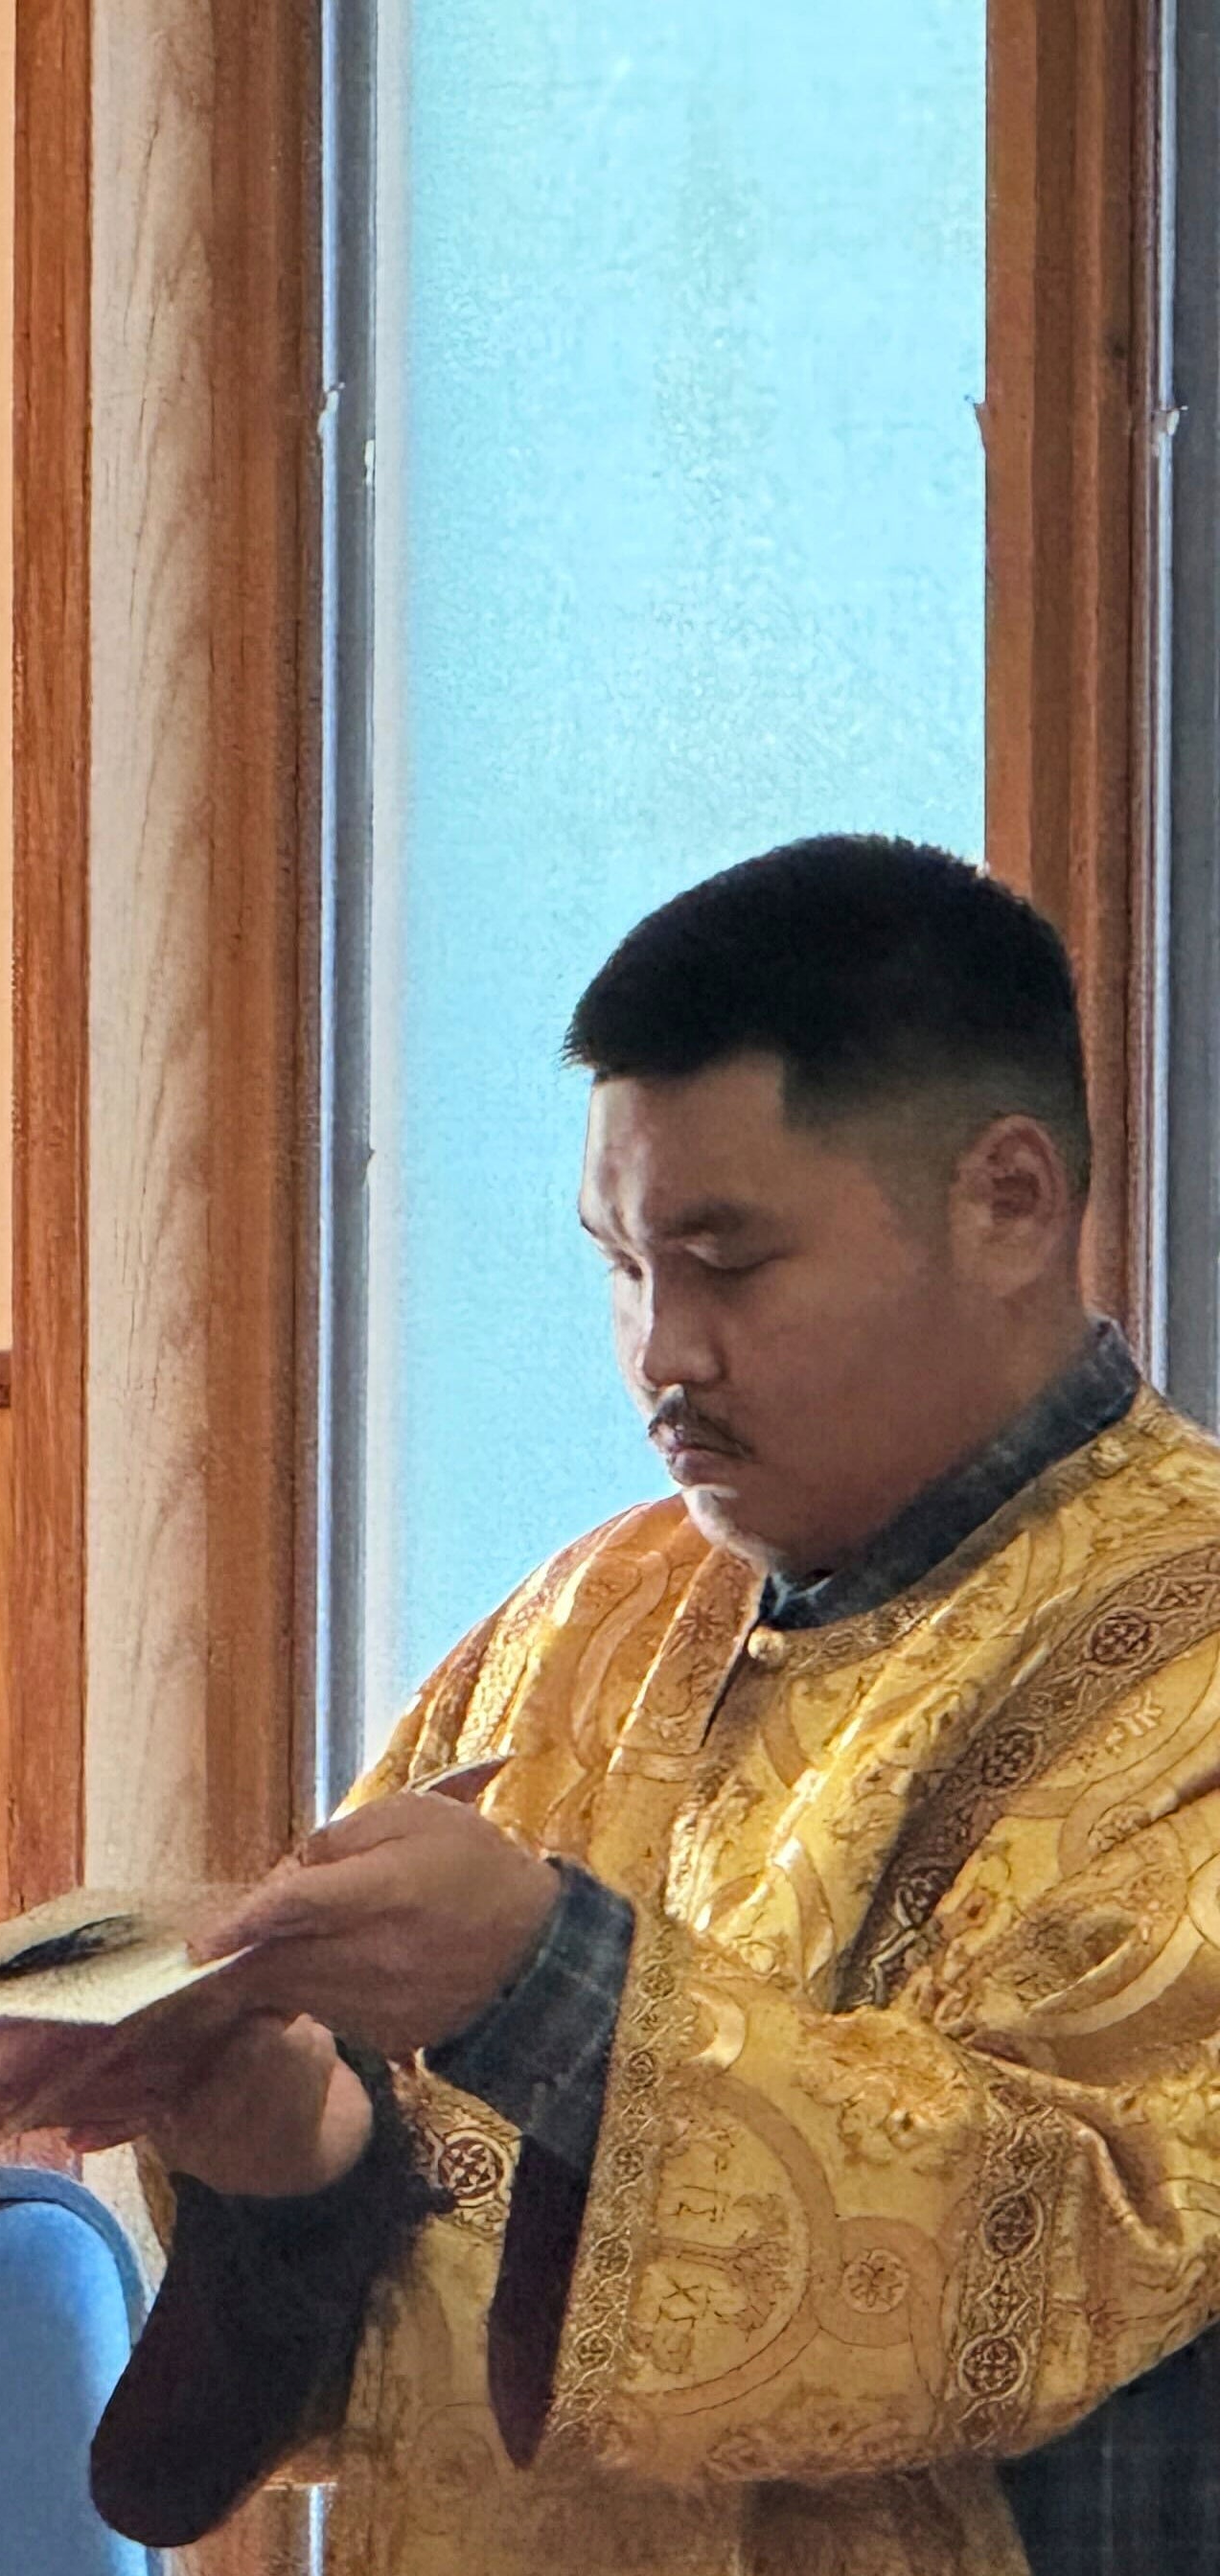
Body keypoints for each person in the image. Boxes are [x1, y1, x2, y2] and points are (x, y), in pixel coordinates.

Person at [73, 839, 1220, 2574]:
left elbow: (1066, 2245)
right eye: (619, 1263)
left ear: (1009, 1201)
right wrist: (297, 2153)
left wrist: (550, 1988)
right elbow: (406, 2261)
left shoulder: (1185, 1649)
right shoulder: (586, 1618)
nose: (662, 1351)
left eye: (727, 1261)